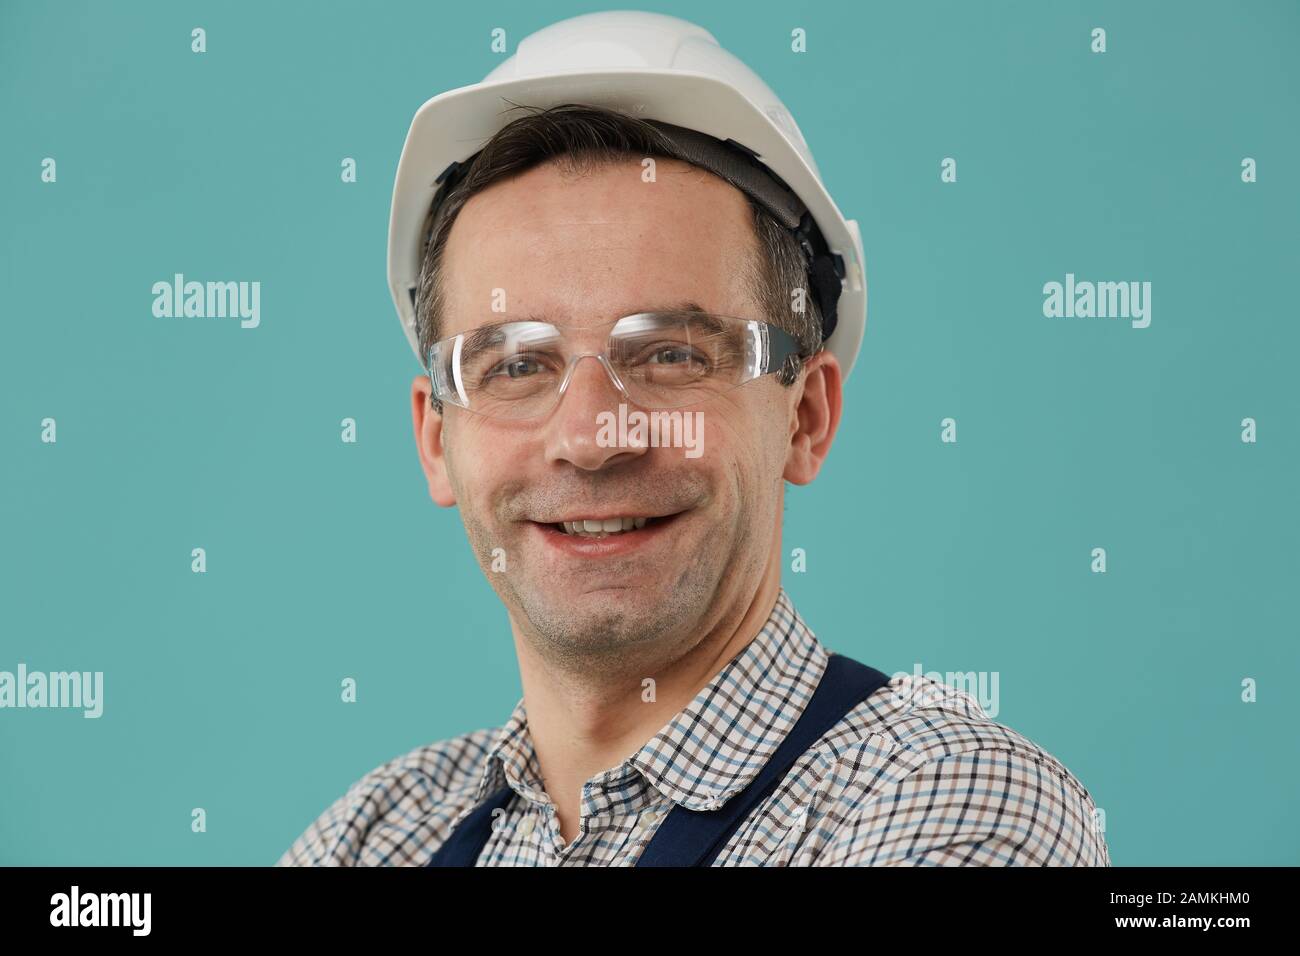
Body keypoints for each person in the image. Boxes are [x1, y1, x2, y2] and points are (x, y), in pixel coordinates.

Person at [277, 10, 1109, 867]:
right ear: (434, 438)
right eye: (517, 365)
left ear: (806, 417)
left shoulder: (952, 800)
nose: (592, 437)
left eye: (672, 355)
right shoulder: (380, 833)